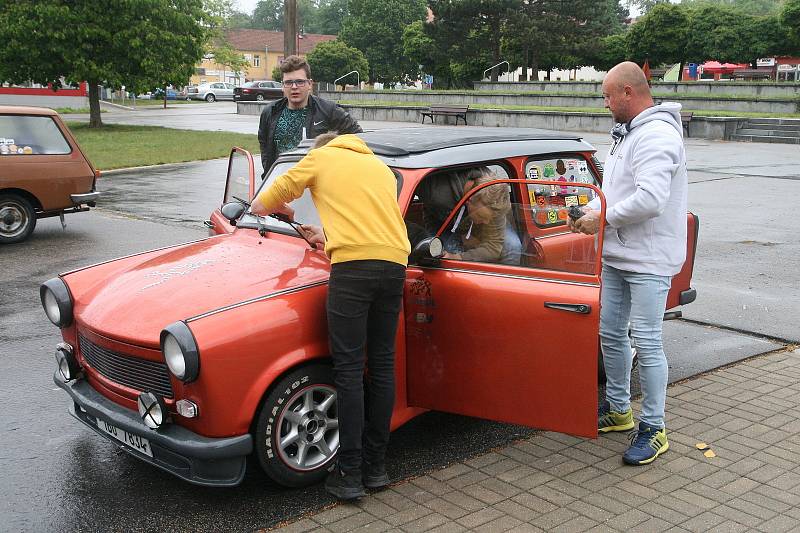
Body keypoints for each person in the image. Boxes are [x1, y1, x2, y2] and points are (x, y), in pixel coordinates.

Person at [250, 132, 410, 500]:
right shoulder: (380, 168)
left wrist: (285, 211)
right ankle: (376, 467)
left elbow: (261, 204)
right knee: (383, 365)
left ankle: (349, 473)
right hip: (394, 266)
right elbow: (371, 225)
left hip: (353, 271)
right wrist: (327, 234)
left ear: (321, 147)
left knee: (350, 369)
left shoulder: (321, 157)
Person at [569, 61, 688, 465]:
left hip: (649, 259)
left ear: (627, 93)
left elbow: (651, 199)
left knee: (648, 342)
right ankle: (619, 410)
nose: (604, 103)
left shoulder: (656, 134)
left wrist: (599, 218)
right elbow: (612, 191)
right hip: (618, 253)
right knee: (611, 334)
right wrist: (586, 208)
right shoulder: (628, 134)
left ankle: (654, 427)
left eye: (607, 95)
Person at [257, 55, 362, 178]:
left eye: (300, 82)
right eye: (289, 82)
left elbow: (358, 136)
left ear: (310, 84)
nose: (294, 87)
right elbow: (264, 143)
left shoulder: (328, 110)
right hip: (280, 183)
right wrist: (268, 169)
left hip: (317, 184)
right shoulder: (270, 112)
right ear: (283, 86)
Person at [415, 167, 520, 264]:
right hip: (443, 223)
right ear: (470, 200)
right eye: (481, 216)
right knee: (443, 257)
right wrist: (451, 254)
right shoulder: (436, 194)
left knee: (512, 247)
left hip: (468, 223)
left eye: (489, 218)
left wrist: (460, 257)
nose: (487, 222)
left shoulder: (496, 198)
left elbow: (493, 247)